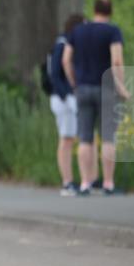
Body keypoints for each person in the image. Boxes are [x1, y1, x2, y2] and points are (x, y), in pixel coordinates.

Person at [62, 0, 131, 196]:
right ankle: (107, 183)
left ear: (94, 10)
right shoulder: (112, 31)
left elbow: (66, 60)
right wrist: (122, 88)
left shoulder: (77, 31)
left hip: (82, 89)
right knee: (108, 137)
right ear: (110, 11)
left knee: (85, 138)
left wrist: (74, 81)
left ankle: (85, 183)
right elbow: (116, 61)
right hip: (106, 88)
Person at [49, 14, 84, 196]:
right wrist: (67, 96)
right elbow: (55, 74)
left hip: (67, 98)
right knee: (66, 139)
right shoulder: (62, 43)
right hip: (62, 99)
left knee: (69, 139)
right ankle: (67, 182)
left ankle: (71, 180)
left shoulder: (68, 44)